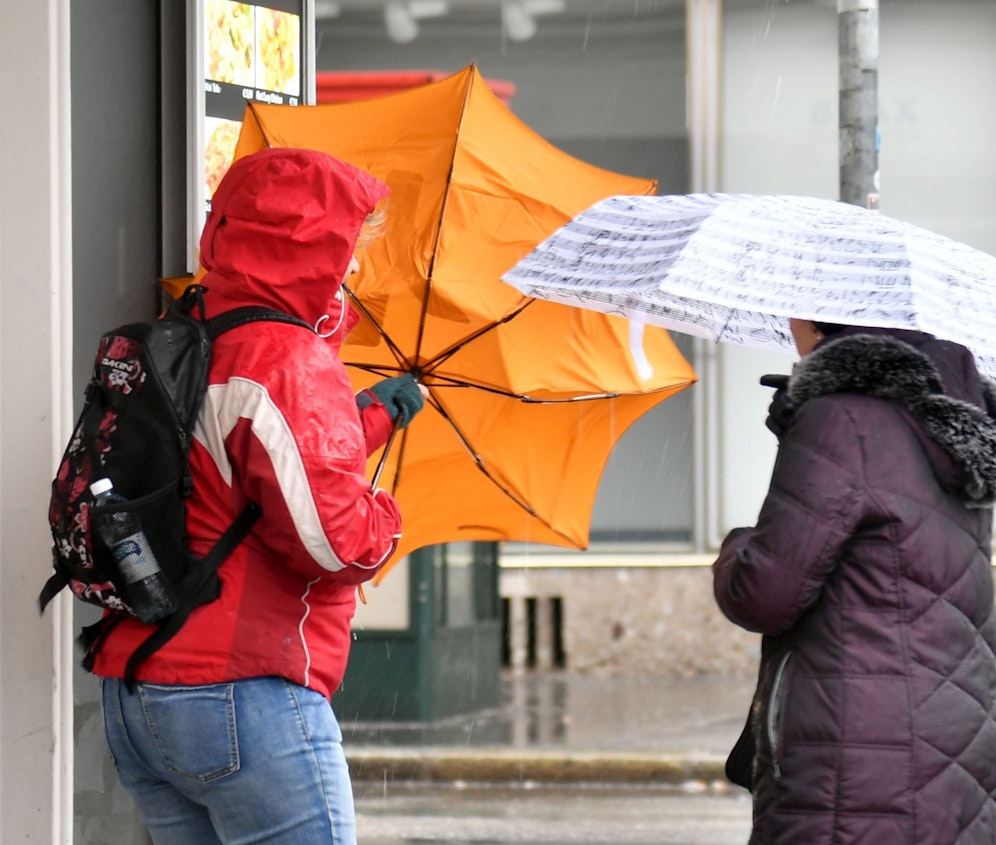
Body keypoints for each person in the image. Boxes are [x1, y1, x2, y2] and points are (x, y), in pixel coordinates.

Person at [92, 147, 427, 845]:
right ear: (311, 248)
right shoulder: (286, 357)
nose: (353, 269)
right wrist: (389, 513)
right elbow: (335, 544)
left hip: (139, 686)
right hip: (239, 691)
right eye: (349, 248)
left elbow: (232, 466)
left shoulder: (188, 331)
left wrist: (366, 418)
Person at [713, 319, 996, 844]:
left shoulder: (840, 420)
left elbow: (762, 594)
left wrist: (737, 544)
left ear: (823, 315)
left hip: (853, 755)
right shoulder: (952, 426)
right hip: (954, 739)